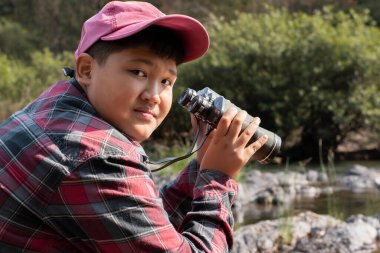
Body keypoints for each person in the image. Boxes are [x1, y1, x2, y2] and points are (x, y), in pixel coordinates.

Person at [0, 1, 268, 252]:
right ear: (86, 70)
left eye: (166, 81)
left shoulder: (57, 105)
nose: (154, 94)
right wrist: (218, 178)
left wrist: (201, 166)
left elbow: (138, 223)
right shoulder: (94, 155)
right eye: (138, 72)